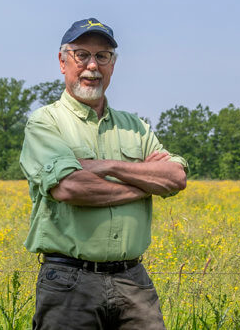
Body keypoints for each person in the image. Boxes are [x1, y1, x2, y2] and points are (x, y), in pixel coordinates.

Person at [20, 17, 188, 330]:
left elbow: (176, 177)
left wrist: (108, 166)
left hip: (133, 280)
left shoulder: (134, 126)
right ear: (62, 61)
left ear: (113, 64)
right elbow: (71, 188)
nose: (92, 66)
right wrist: (143, 182)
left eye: (103, 56)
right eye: (81, 55)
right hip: (69, 281)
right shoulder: (46, 123)